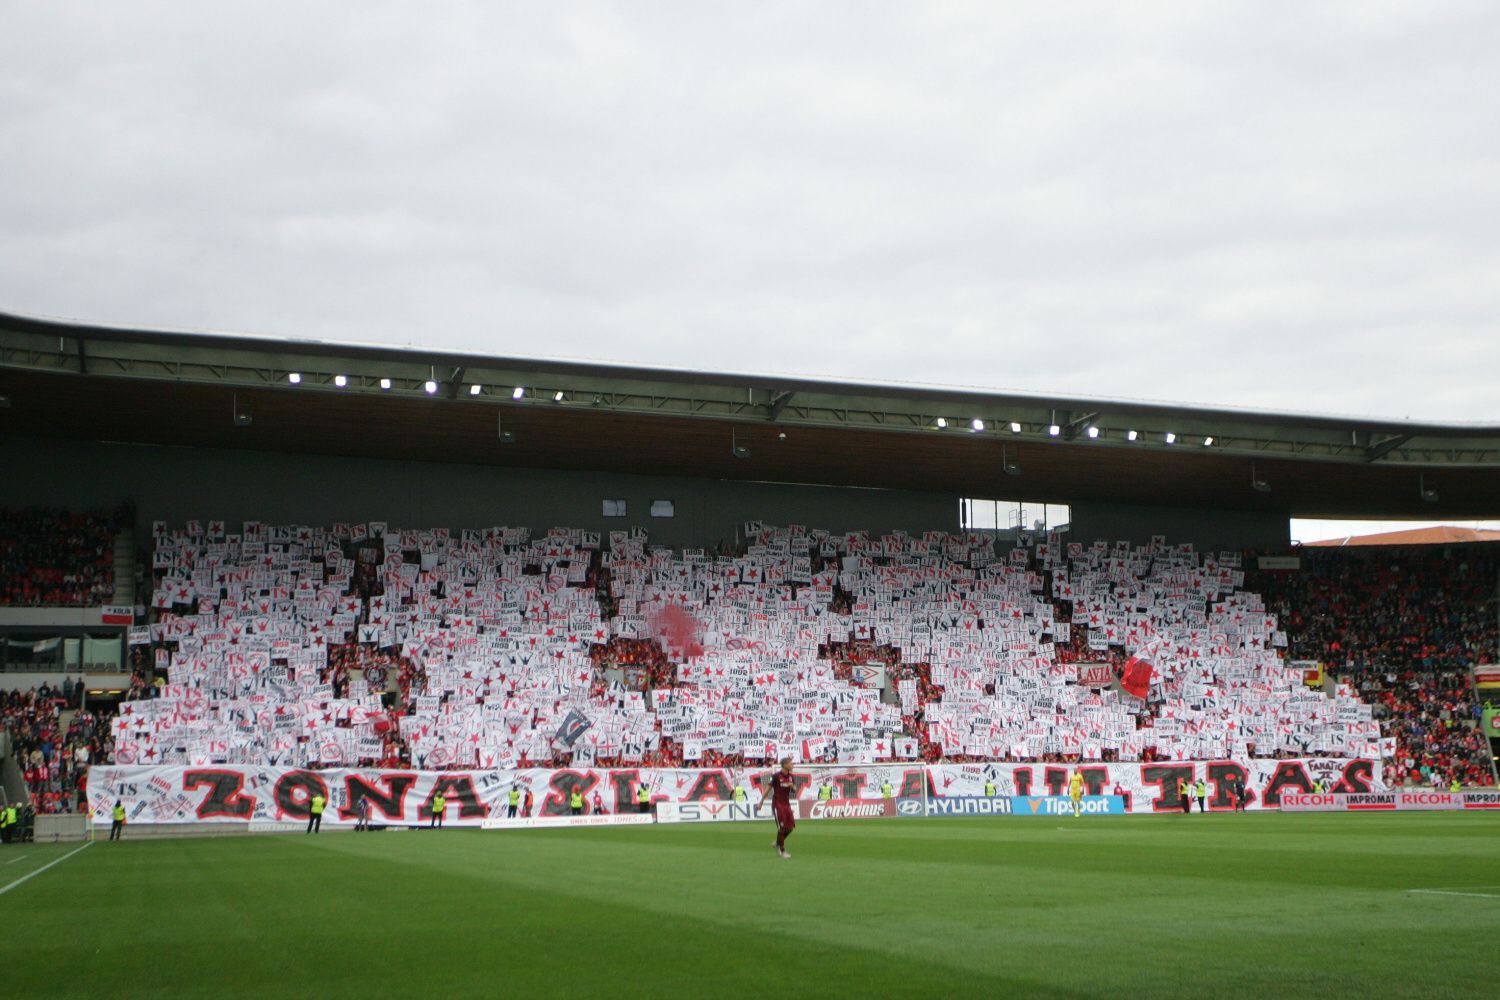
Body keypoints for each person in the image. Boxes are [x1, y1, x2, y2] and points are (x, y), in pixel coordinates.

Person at [763, 757, 797, 859]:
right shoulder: (776, 776)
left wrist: (792, 786)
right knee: (782, 828)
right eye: (791, 763)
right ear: (785, 765)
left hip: (786, 804)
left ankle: (778, 842)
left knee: (790, 827)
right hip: (777, 804)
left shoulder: (791, 776)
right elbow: (767, 789)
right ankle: (782, 851)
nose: (792, 765)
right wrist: (761, 802)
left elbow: (794, 790)